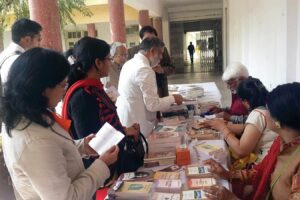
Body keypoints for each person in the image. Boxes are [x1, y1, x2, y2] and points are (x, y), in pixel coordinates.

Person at [1, 48, 119, 200]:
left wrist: (81, 146)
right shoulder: (34, 141)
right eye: (62, 85)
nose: (65, 91)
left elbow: (53, 152)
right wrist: (102, 165)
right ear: (43, 89)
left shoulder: (27, 113)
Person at [203, 82, 300, 200]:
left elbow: (241, 151)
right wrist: (227, 174)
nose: (265, 113)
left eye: (268, 110)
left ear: (278, 121)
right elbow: (259, 172)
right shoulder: (281, 142)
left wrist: (232, 198)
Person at [62, 37, 143, 174]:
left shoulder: (94, 88)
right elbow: (93, 143)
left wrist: (124, 130)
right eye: (108, 59)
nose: (110, 63)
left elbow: (102, 126)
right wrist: (122, 133)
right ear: (98, 63)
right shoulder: (83, 96)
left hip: (112, 159)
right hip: (103, 169)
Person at [116, 37, 183, 137]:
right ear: (152, 51)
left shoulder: (129, 63)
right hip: (138, 123)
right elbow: (153, 105)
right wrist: (173, 98)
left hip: (127, 118)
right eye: (160, 54)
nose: (160, 58)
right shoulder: (144, 68)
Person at [205, 77, 277, 163]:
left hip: (263, 164)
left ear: (246, 101)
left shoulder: (258, 114)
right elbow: (246, 128)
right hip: (272, 160)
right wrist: (220, 125)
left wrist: (222, 128)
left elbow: (241, 151)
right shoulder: (269, 106)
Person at [127, 25, 174, 97]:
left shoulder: (162, 50)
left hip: (160, 86)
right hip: (141, 90)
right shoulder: (132, 51)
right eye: (147, 39)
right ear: (142, 39)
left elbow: (172, 68)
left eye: (153, 38)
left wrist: (162, 70)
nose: (151, 41)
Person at [0, 18, 42, 85]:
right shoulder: (21, 61)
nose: (40, 44)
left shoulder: (4, 55)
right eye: (38, 40)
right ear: (27, 40)